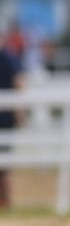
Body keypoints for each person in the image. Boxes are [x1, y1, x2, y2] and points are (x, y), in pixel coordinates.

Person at [0, 31, 26, 210]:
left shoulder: (8, 58)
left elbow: (18, 83)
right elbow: (19, 83)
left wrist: (18, 111)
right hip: (6, 117)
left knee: (4, 165)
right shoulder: (9, 58)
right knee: (4, 164)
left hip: (5, 118)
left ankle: (6, 201)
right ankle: (6, 202)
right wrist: (19, 111)